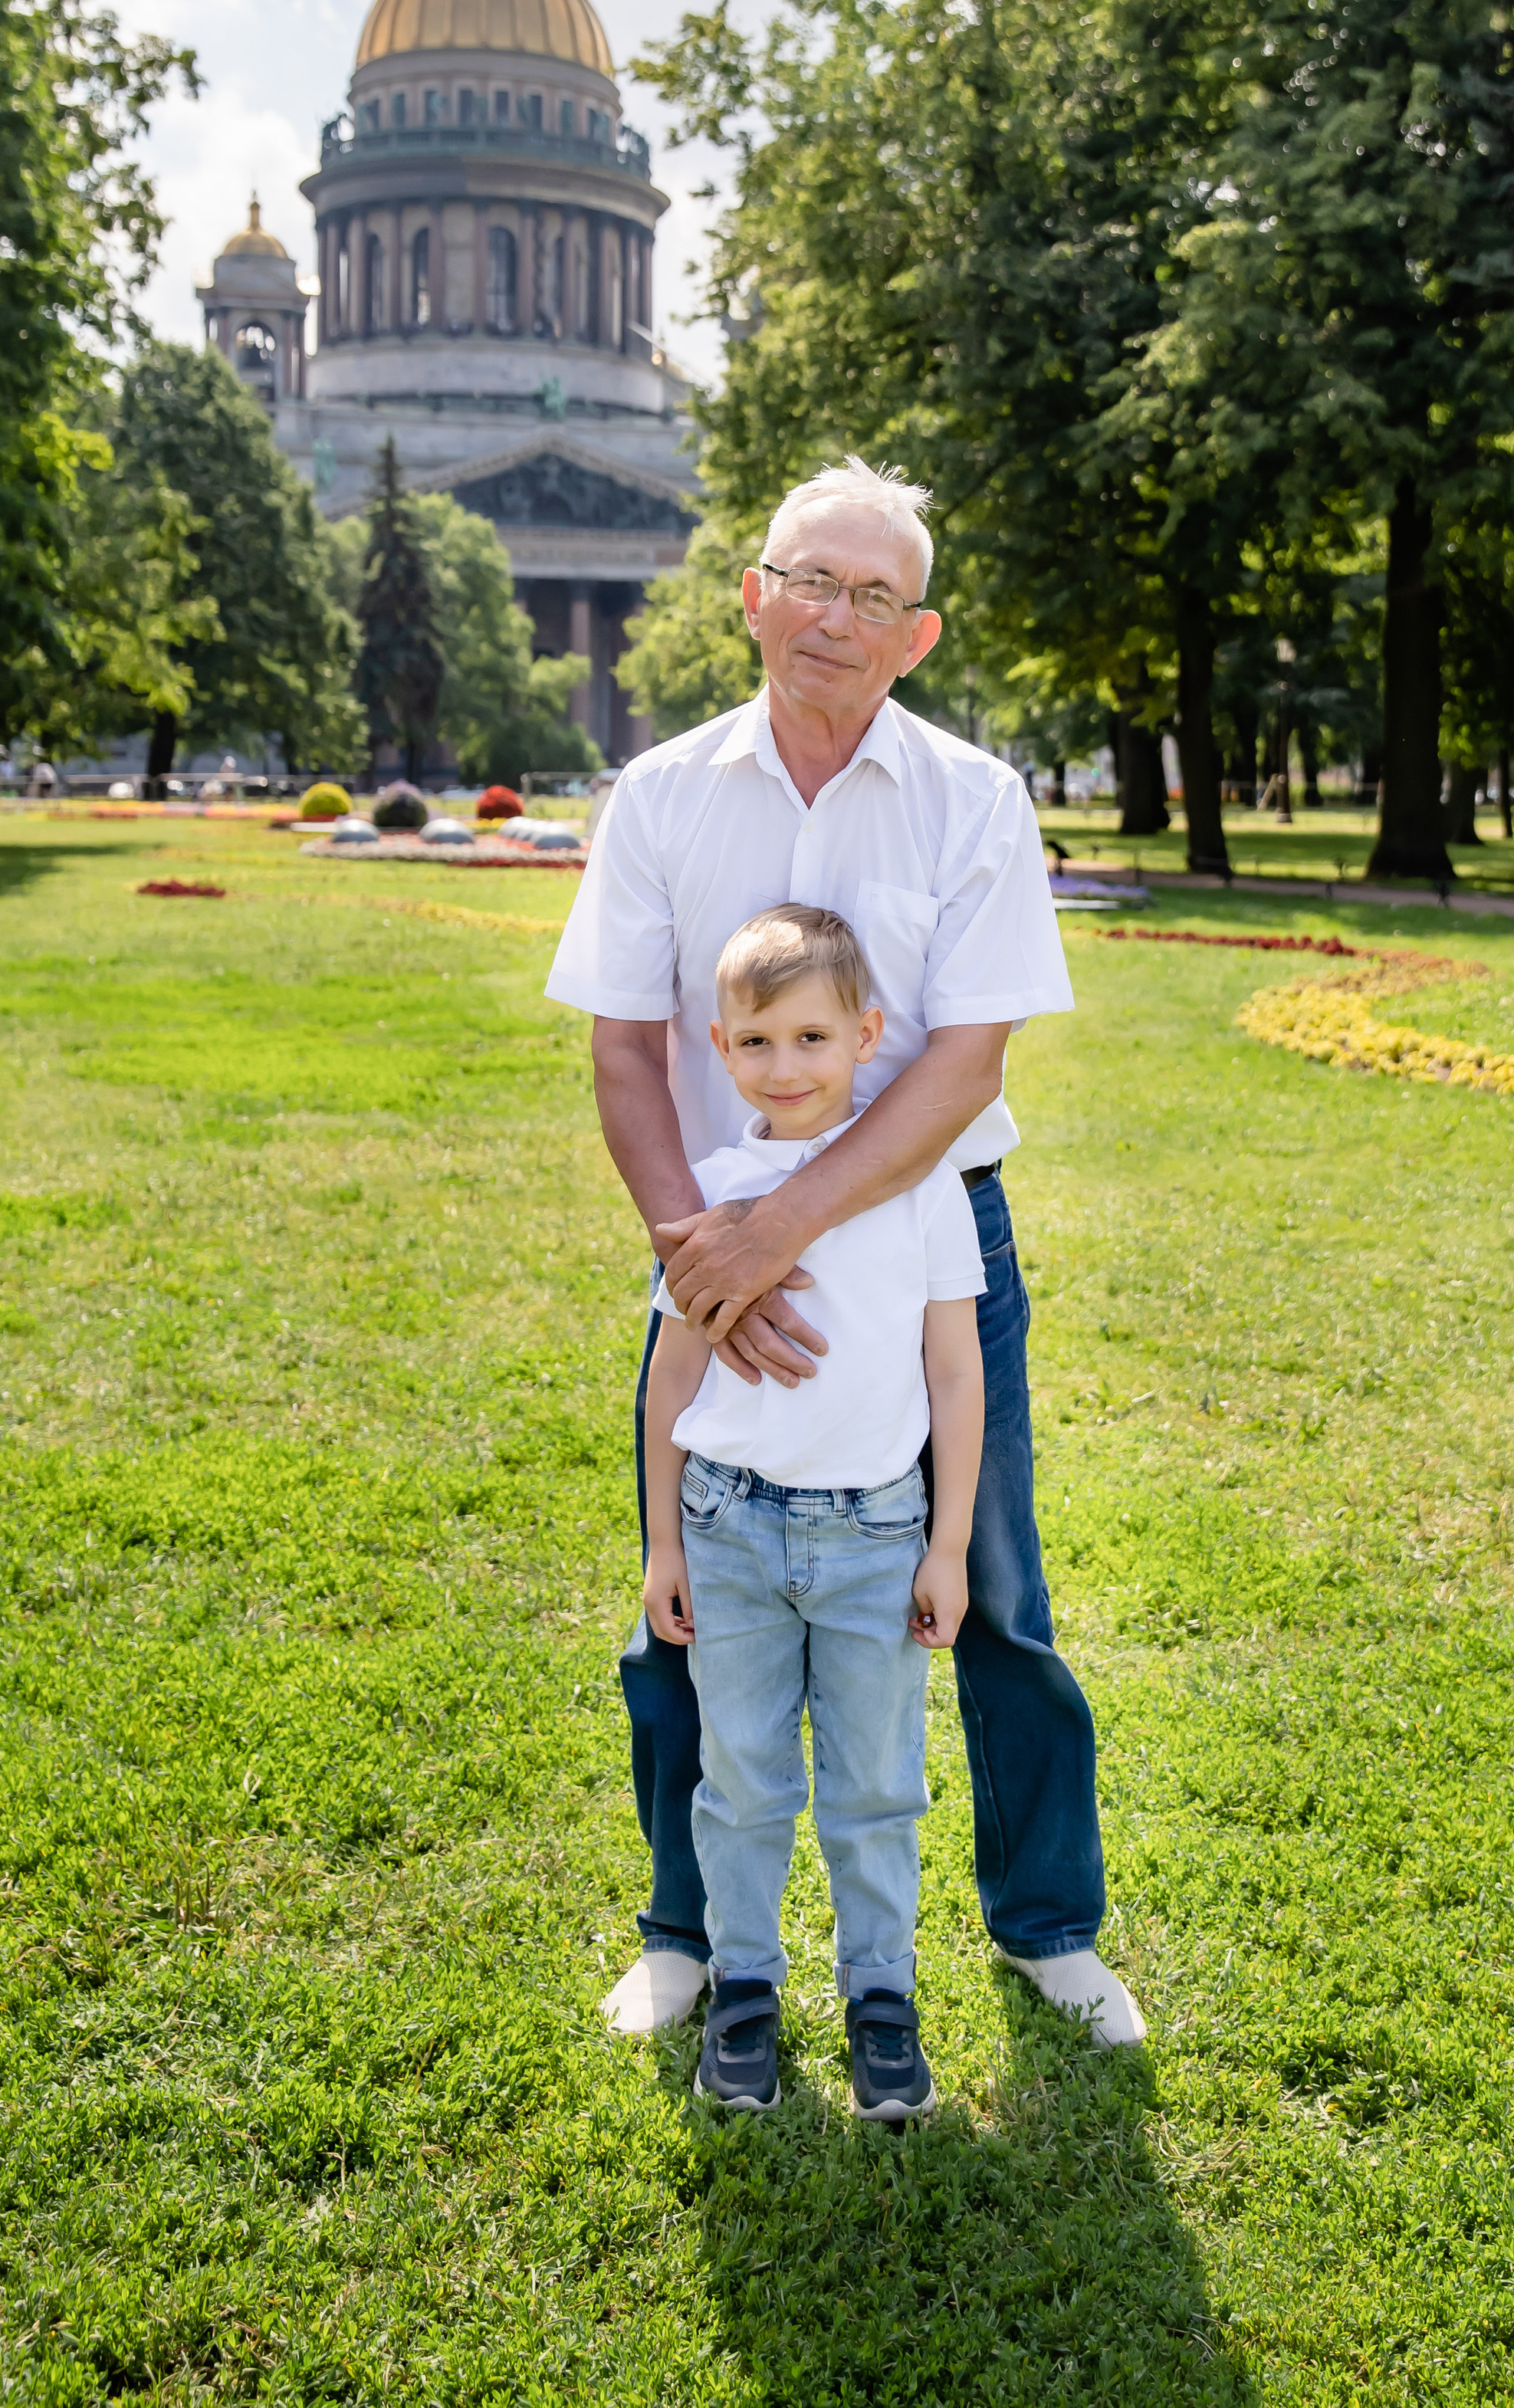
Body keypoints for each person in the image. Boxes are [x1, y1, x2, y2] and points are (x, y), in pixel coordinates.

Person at [546, 454, 1145, 2048]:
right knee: (684, 1589)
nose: (834, 615)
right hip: (706, 1237)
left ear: (917, 633)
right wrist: (701, 1256)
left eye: (873, 594)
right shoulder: (663, 792)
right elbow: (621, 1050)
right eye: (810, 579)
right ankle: (681, 1934)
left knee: (994, 1588)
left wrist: (780, 1234)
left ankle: (1043, 1927)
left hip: (933, 1237)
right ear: (751, 596)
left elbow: (964, 1065)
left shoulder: (972, 799)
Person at [643, 902, 984, 2116]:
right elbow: (671, 1378)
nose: (783, 1069)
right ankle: (744, 1992)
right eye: (754, 1043)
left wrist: (948, 1546)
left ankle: (881, 2001)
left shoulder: (923, 1185)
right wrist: (662, 1545)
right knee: (740, 1778)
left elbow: (957, 1370)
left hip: (878, 1536)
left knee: (877, 1783)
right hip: (730, 1530)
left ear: (867, 1035)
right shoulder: (714, 1198)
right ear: (720, 1048)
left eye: (809, 1039)